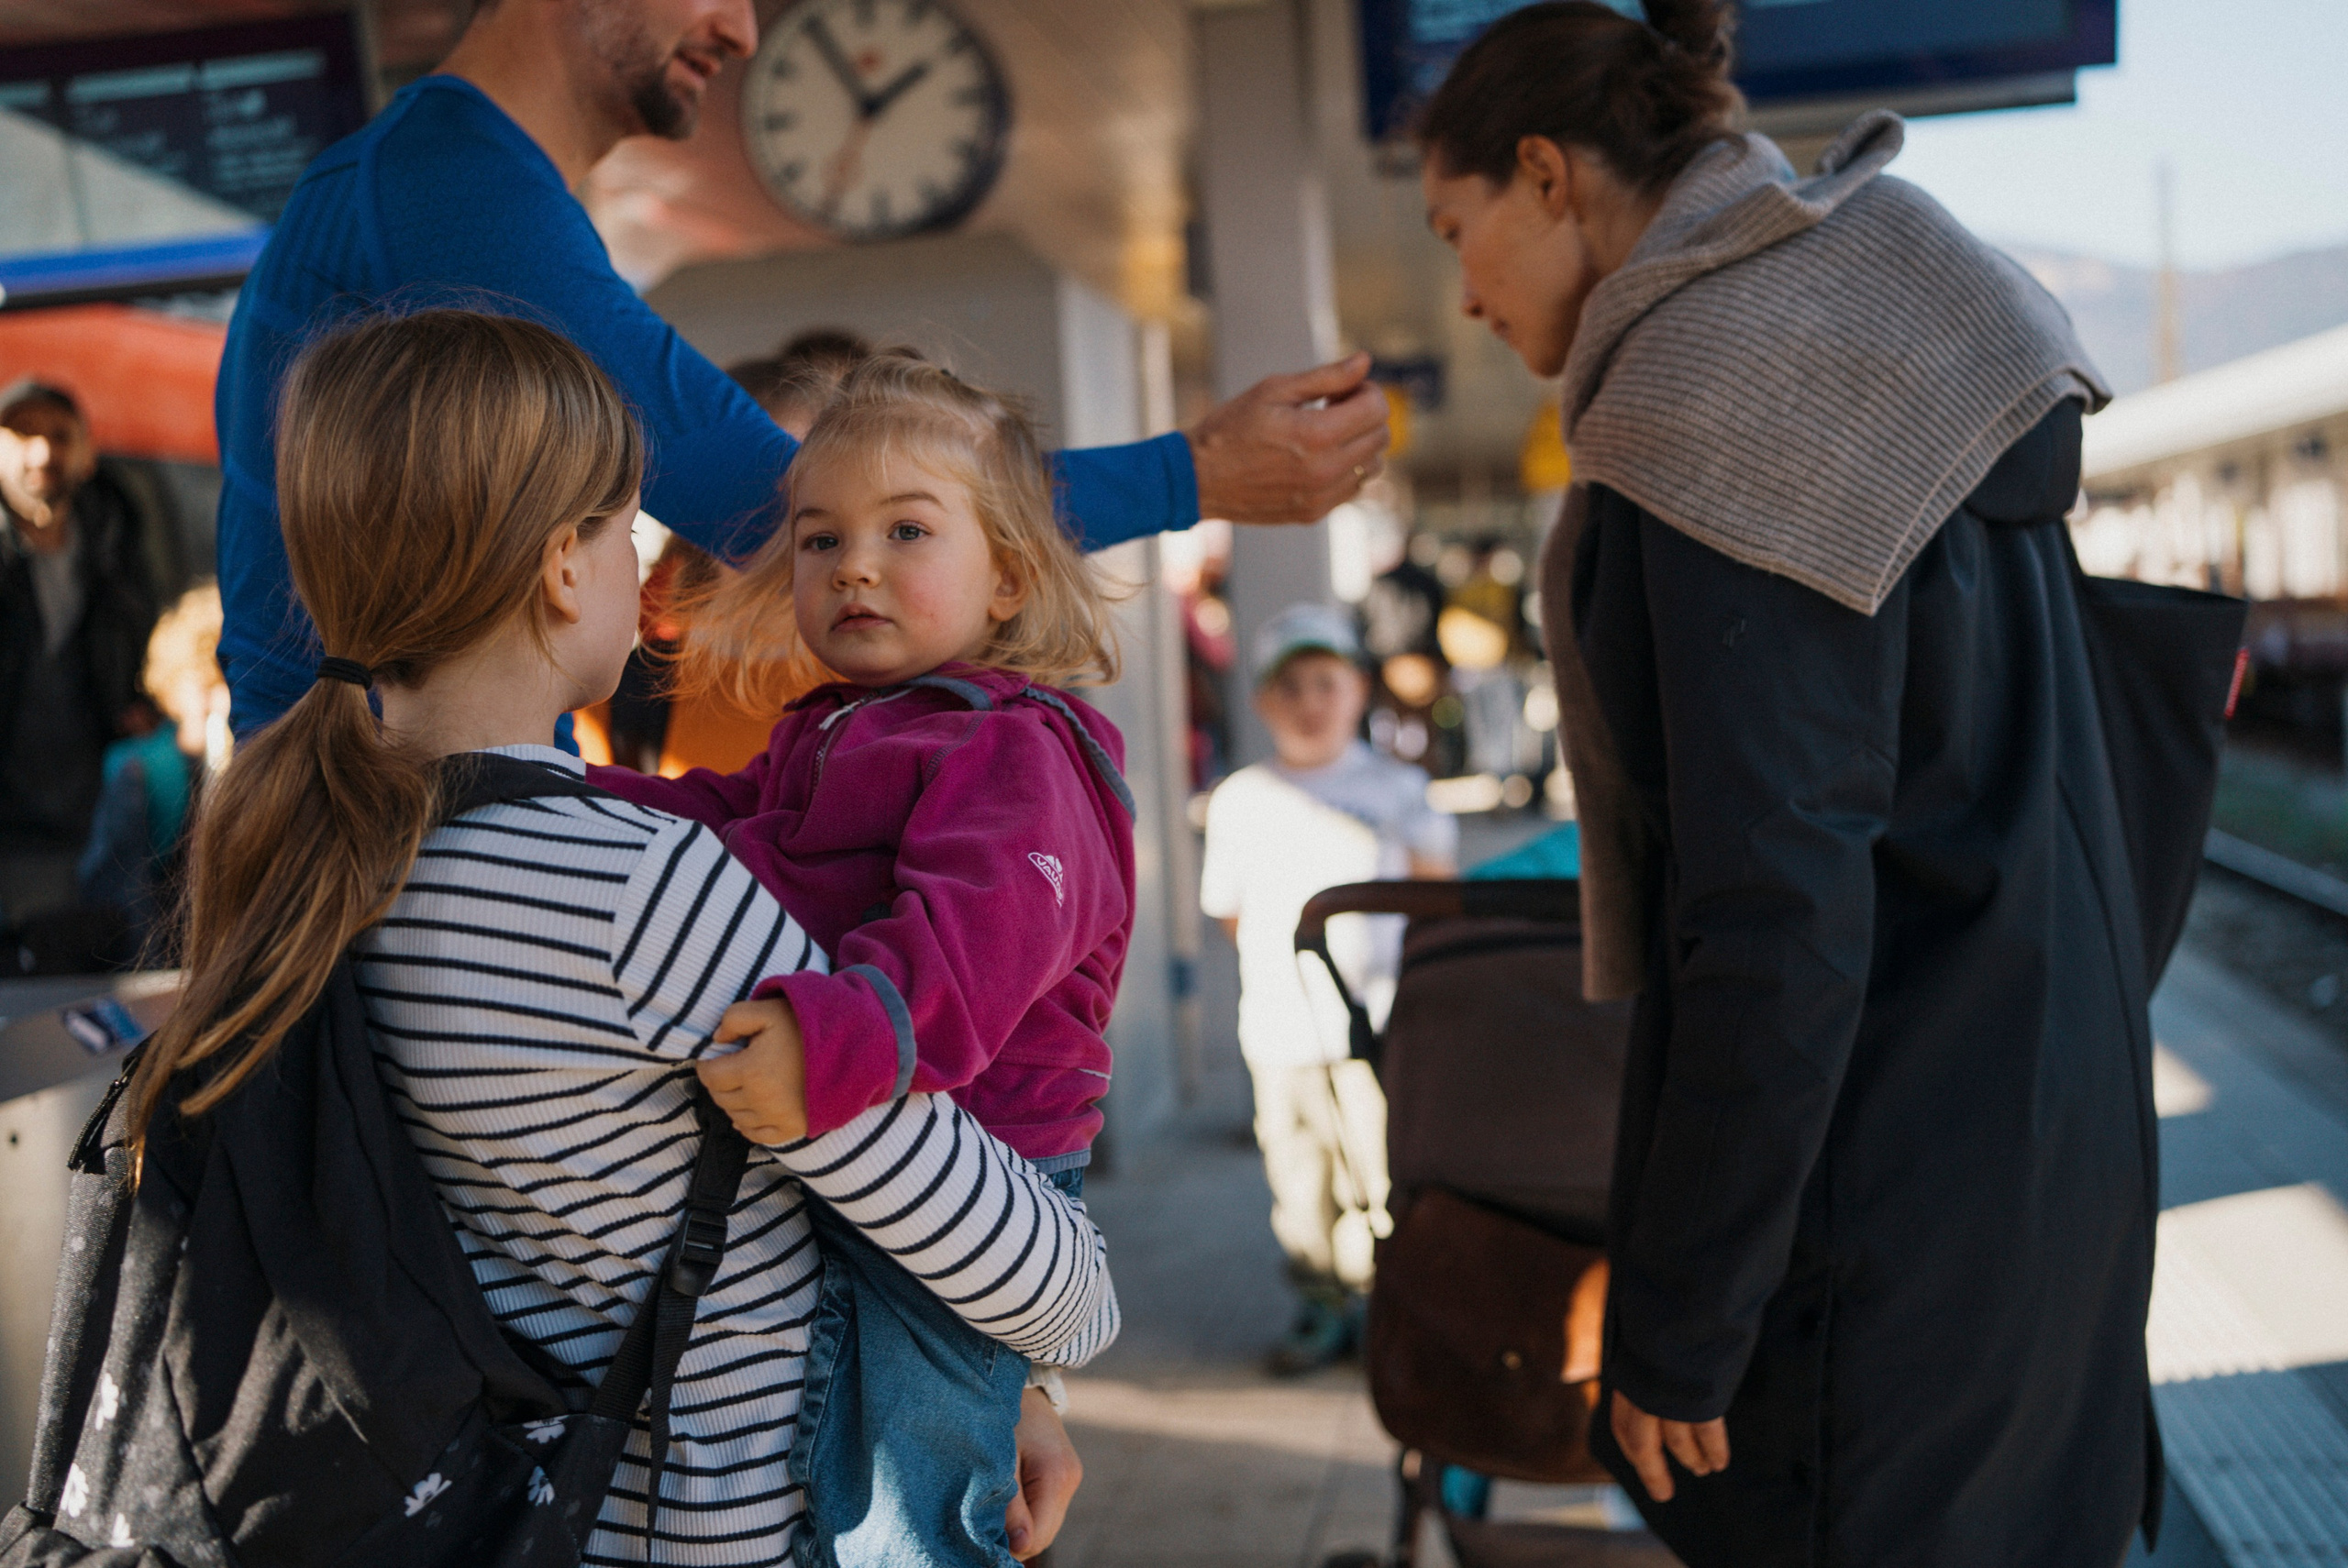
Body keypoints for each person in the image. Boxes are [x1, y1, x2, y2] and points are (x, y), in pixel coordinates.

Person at [124, 308, 1109, 1562]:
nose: (645, 563)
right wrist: (1027, 1366)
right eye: (622, 526)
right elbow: (1054, 1286)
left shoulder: (312, 852)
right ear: (561, 567)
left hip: (498, 1511)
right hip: (713, 1528)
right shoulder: (640, 894)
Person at [1417, 5, 2148, 1563]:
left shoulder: (1714, 399)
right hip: (2045, 1137)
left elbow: (1776, 914)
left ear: (1546, 176)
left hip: (1879, 1210)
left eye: (1455, 228)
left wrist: (1683, 1317)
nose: (1460, 293)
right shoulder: (1899, 337)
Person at [212, 0, 1391, 737]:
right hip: (386, 849)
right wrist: (1196, 473)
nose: (742, 30)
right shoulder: (446, 189)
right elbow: (776, 506)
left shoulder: (444, 183)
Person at [589, 352, 1133, 1561]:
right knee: (838, 1462)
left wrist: (843, 1036)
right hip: (882, 1127)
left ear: (1009, 578)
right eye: (820, 539)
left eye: (906, 529)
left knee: (906, 1510)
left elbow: (974, 942)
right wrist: (564, 796)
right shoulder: (840, 726)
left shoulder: (1016, 747)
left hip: (974, 1161)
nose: (857, 565)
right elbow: (727, 823)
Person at [1198, 603, 1457, 1374]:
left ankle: (1386, 1301)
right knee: (1301, 1176)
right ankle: (1319, 1303)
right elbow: (1233, 914)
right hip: (1281, 1030)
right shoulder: (1242, 798)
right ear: (1263, 701)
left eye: (1327, 682)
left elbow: (1435, 897)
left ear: (1359, 690)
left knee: (1383, 1169)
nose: (1310, 701)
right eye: (1292, 687)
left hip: (1378, 1024)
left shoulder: (1400, 790)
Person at [0, 381, 159, 927]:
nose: (42, 452)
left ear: (87, 453)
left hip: (97, 819)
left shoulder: (115, 543)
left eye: (59, 436)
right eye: (22, 433)